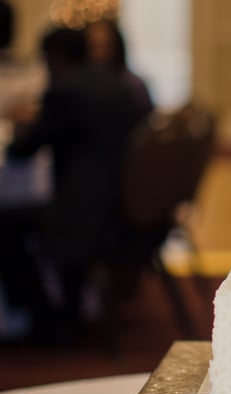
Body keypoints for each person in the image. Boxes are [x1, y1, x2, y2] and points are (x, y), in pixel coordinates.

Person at [6, 24, 149, 337]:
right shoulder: (121, 84)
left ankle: (41, 314)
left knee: (6, 222)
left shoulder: (66, 90)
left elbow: (22, 150)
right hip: (126, 206)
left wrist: (22, 126)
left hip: (88, 216)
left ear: (54, 57)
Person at [84, 17, 154, 121]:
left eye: (104, 46)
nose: (99, 54)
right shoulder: (78, 86)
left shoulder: (133, 85)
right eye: (94, 46)